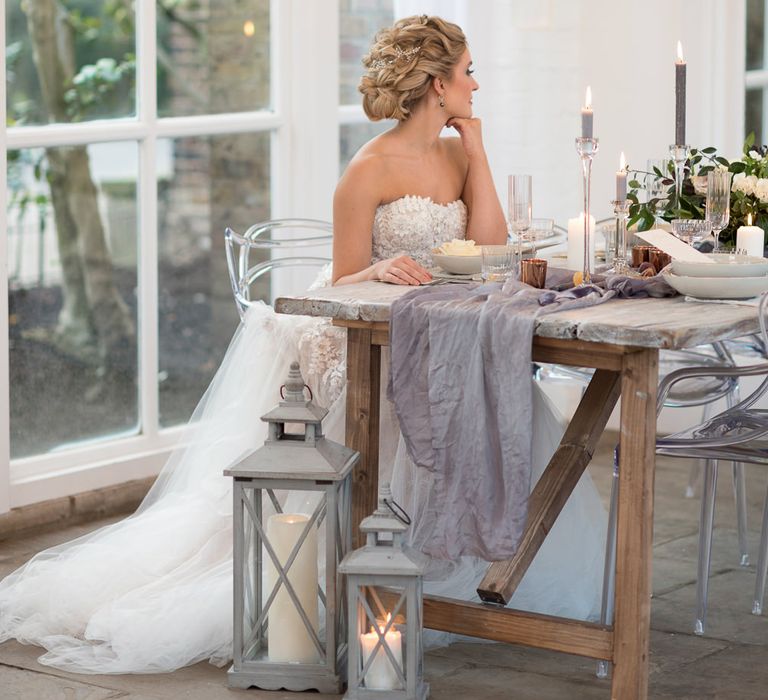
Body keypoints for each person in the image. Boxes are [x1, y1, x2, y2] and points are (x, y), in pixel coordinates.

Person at [0, 15, 605, 674]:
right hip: (365, 330)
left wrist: (481, 154)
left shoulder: (459, 155)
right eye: (467, 72)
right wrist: (378, 269)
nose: (476, 83)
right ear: (437, 84)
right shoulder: (367, 168)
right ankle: (374, 570)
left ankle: (457, 565)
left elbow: (491, 249)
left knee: (496, 388)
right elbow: (344, 276)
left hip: (440, 324)